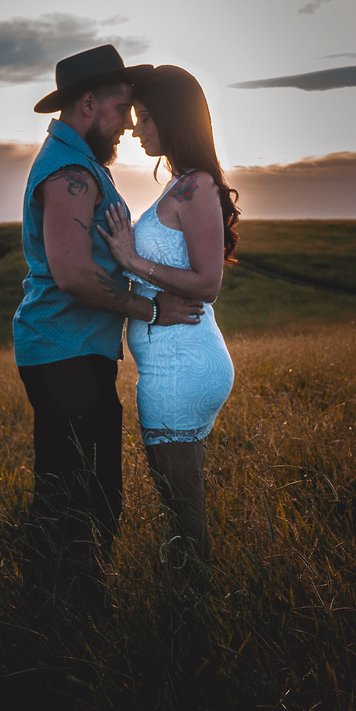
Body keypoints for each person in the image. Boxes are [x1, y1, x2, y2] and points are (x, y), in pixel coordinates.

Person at [13, 45, 203, 613]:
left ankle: (59, 612)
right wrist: (149, 310)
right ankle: (65, 622)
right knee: (81, 497)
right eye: (121, 109)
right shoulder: (71, 172)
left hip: (70, 351)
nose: (125, 123)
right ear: (88, 104)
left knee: (80, 491)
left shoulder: (79, 163)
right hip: (63, 352)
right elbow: (72, 275)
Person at [97, 64, 240, 572]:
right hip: (176, 363)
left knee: (184, 521)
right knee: (181, 513)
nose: (136, 129)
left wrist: (132, 261)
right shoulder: (181, 184)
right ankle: (189, 609)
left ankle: (193, 621)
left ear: (174, 119)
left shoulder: (197, 187)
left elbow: (208, 283)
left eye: (147, 118)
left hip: (179, 370)